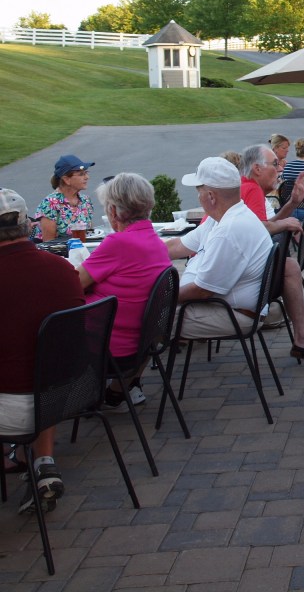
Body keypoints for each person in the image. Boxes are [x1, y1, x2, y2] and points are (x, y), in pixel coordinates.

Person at [0, 188, 84, 514]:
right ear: (29, 226)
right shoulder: (63, 269)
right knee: (42, 361)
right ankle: (41, 462)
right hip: (64, 397)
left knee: (26, 364)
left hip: (12, 406)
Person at [77, 173, 171, 411]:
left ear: (113, 211)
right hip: (140, 346)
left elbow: (73, 285)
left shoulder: (118, 244)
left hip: (110, 350)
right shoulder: (154, 241)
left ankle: (50, 408)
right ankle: (113, 392)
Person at [238, 145, 304, 364]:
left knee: (289, 266)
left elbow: (261, 226)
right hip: (236, 277)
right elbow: (260, 229)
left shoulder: (248, 188)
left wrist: (292, 204)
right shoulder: (251, 189)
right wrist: (284, 221)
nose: (280, 168)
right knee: (290, 266)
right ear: (256, 168)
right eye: (275, 164)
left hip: (239, 268)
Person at [164, 157, 275, 344]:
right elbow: (178, 246)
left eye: (198, 192)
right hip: (228, 309)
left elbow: (201, 291)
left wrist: (161, 298)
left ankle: (126, 372)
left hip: (236, 316)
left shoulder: (229, 229)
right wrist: (136, 253)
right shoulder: (225, 217)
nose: (198, 197)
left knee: (144, 318)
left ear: (211, 196)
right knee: (145, 312)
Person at [32, 154, 95, 241]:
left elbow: (91, 234)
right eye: (81, 174)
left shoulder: (85, 200)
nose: (87, 177)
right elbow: (48, 243)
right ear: (66, 179)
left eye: (86, 173)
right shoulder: (50, 204)